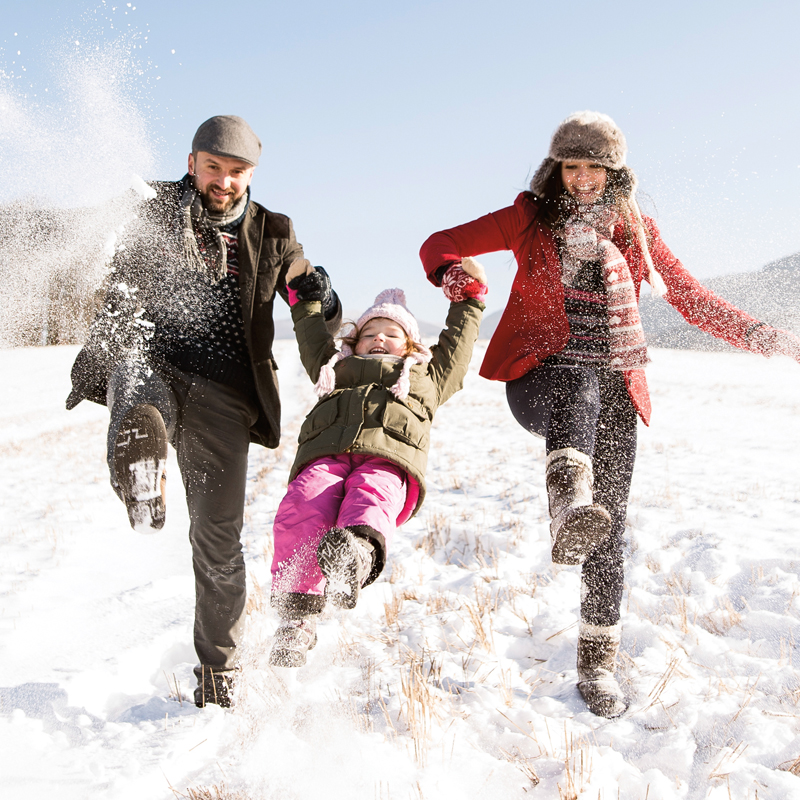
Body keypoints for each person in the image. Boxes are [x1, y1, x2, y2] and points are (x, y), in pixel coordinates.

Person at [419, 111, 800, 718]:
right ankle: (567, 498)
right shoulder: (529, 218)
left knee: (610, 529)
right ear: (556, 169)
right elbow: (440, 244)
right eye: (572, 166)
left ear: (614, 172)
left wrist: (770, 338)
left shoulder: (637, 230)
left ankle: (597, 665)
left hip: (618, 390)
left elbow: (690, 298)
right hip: (542, 379)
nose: (582, 178)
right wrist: (456, 278)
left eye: (594, 167)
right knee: (580, 383)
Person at [64, 115, 342, 708]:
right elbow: (104, 247)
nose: (224, 181)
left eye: (237, 171)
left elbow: (305, 298)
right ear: (192, 163)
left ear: (251, 175)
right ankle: (140, 474)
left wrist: (322, 298)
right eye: (213, 167)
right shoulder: (156, 206)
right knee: (137, 388)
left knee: (218, 539)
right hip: (154, 357)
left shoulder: (274, 233)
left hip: (226, 394)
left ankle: (220, 677)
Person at [266, 263, 487, 667]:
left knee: (371, 495)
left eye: (391, 334)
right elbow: (311, 335)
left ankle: (356, 556)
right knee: (302, 503)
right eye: (369, 333)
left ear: (409, 345)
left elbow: (456, 348)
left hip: (387, 459)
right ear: (355, 341)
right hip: (327, 456)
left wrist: (470, 299)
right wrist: (304, 299)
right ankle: (296, 620)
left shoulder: (426, 376)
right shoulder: (335, 368)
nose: (379, 339)